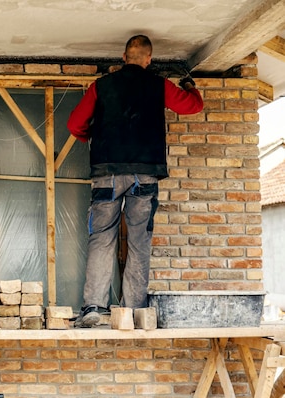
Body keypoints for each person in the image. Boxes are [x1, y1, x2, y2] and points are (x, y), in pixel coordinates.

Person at [67, 34, 204, 328]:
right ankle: (134, 310)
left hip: (107, 173)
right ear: (148, 60)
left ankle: (93, 307)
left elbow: (73, 123)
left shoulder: (101, 86)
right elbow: (193, 106)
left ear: (124, 56)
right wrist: (190, 85)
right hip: (145, 172)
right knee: (140, 241)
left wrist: (90, 137)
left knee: (101, 238)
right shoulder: (159, 85)